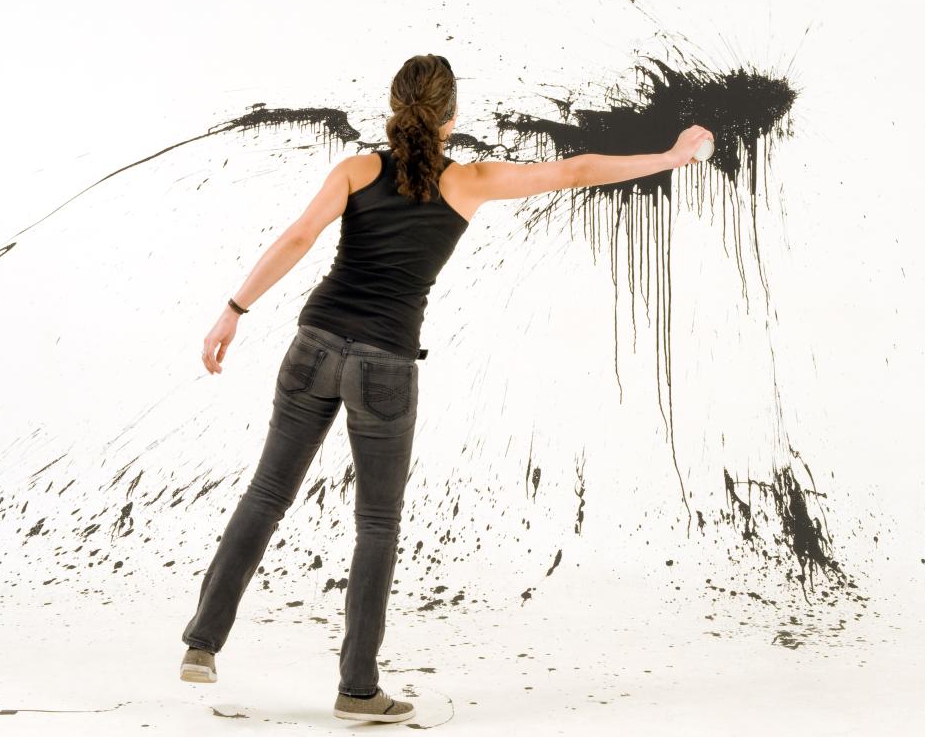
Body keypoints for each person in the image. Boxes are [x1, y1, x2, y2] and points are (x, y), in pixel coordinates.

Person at [178, 53, 714, 723]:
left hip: (314, 346)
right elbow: (575, 170)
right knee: (377, 524)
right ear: (452, 117)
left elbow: (298, 238)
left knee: (266, 494)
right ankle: (357, 690)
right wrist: (671, 156)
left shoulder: (356, 170)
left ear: (393, 108)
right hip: (385, 366)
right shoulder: (471, 182)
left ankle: (202, 645)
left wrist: (234, 309)